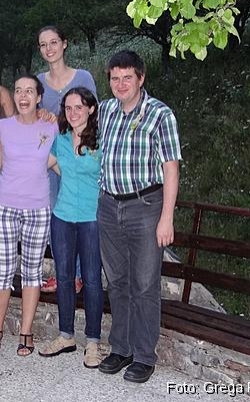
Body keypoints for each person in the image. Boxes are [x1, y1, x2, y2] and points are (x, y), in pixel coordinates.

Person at [97, 50, 181, 383]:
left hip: (145, 207)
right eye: (115, 78)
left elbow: (171, 169)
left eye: (127, 78)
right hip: (108, 206)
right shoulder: (105, 111)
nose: (120, 84)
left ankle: (144, 356)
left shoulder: (160, 114)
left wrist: (166, 218)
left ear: (141, 78)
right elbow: (74, 124)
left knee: (145, 285)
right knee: (117, 281)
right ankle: (121, 348)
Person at [0, 74, 58, 356]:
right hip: (4, 207)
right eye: (18, 91)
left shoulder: (51, 126)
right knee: (3, 272)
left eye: (29, 91)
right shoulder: (1, 127)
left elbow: (59, 160)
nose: (23, 96)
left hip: (38, 209)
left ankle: (26, 332)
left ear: (39, 97)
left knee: (31, 272)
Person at [38, 87, 107, 368]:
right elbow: (45, 163)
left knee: (91, 280)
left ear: (91, 109)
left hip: (92, 218)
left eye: (79, 107)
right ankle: (65, 335)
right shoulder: (61, 138)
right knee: (64, 277)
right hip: (63, 217)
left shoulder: (102, 140)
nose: (73, 113)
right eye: (68, 108)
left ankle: (93, 342)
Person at [36, 25, 98, 294]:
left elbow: (94, 116)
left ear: (64, 43)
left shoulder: (83, 77)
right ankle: (64, 274)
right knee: (57, 217)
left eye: (53, 42)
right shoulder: (38, 82)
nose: (48, 48)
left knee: (83, 216)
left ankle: (79, 275)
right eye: (43, 44)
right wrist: (40, 116)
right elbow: (32, 120)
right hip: (53, 164)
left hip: (79, 161)